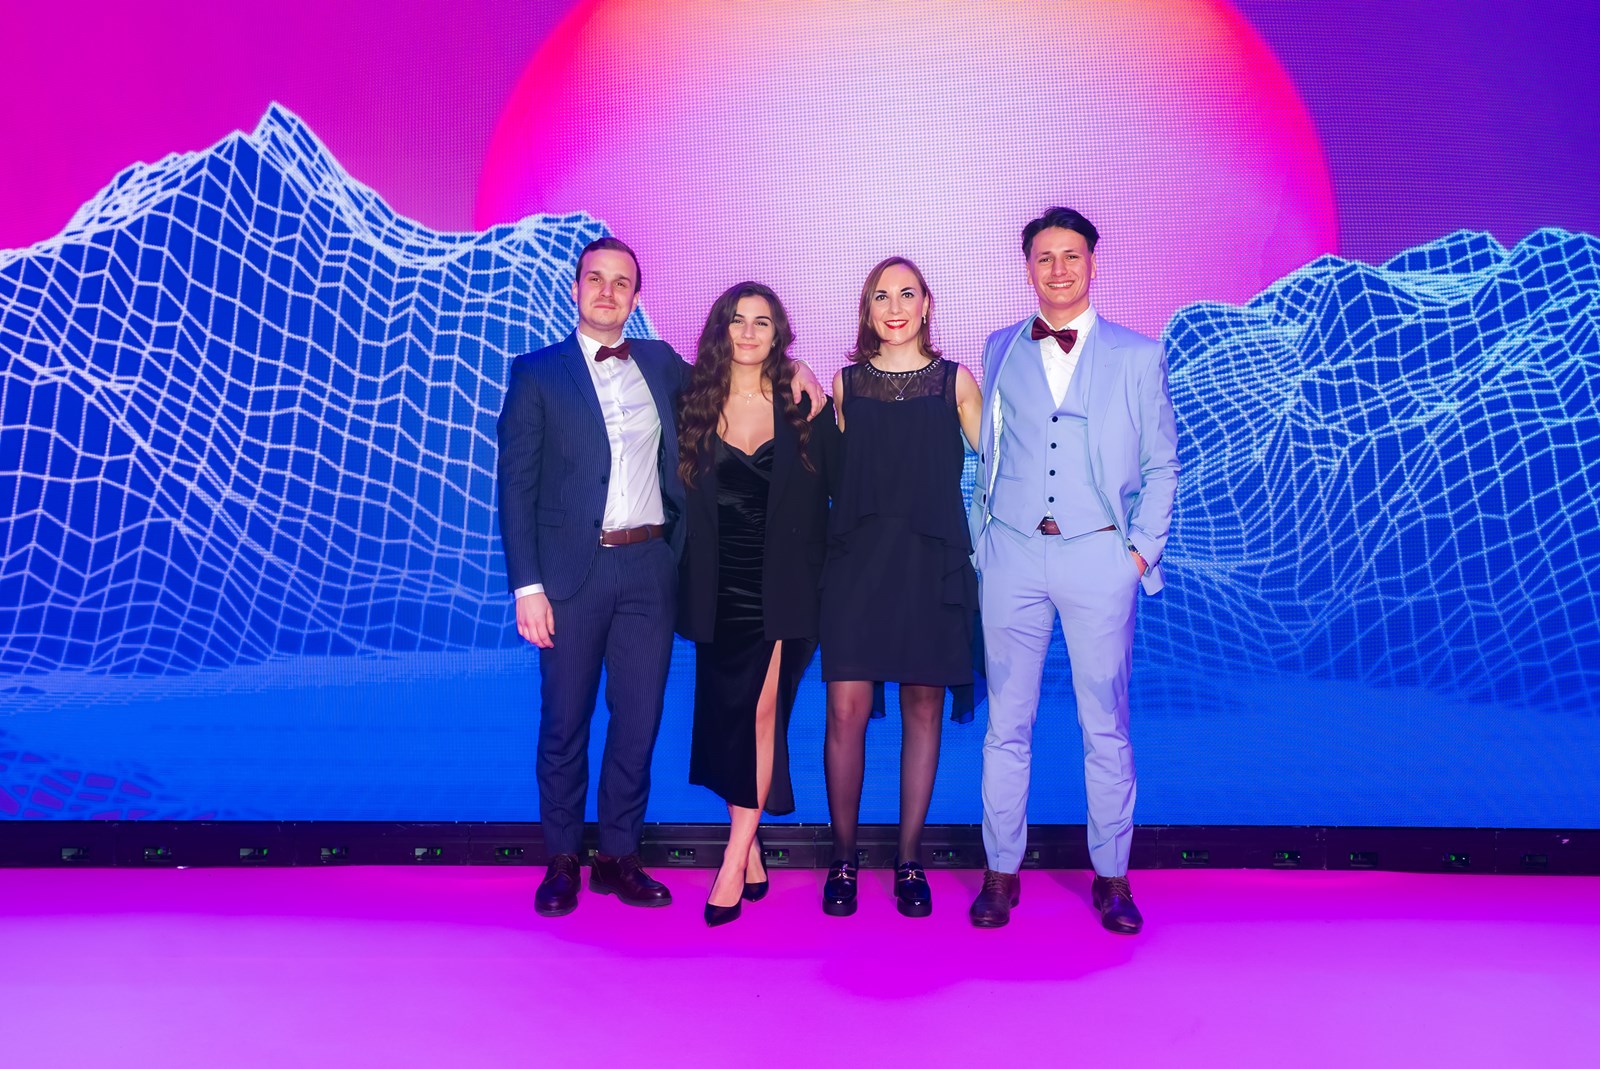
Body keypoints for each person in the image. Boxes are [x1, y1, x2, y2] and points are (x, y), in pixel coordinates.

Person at [496, 238, 826, 918]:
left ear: (636, 297)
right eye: (596, 279)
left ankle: (620, 855)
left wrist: (804, 373)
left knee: (638, 722)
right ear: (576, 288)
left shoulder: (660, 364)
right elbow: (515, 486)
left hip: (650, 571)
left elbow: (742, 370)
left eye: (621, 282)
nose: (607, 292)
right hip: (569, 577)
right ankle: (562, 858)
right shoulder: (537, 374)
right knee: (564, 721)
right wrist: (527, 586)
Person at [967, 207, 1180, 932]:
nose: (1058, 269)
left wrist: (1138, 553)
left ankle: (1112, 877)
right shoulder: (1000, 346)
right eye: (1044, 257)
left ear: (1093, 262)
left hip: (1099, 555)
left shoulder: (1137, 356)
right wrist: (983, 544)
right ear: (1027, 268)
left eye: (1071, 255)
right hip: (1012, 555)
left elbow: (1162, 464)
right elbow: (988, 453)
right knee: (1006, 723)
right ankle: (1000, 872)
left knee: (1105, 726)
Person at [818, 256, 982, 918]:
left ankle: (909, 860)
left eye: (906, 293)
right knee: (845, 711)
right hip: (856, 566)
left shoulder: (956, 382)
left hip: (930, 566)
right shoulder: (844, 384)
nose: (894, 307)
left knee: (923, 708)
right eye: (880, 295)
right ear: (867, 309)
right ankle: (844, 860)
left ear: (926, 305)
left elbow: (1008, 465)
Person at [675, 282, 841, 927]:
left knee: (761, 714)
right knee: (729, 719)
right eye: (738, 320)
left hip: (784, 590)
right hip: (715, 590)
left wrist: (809, 375)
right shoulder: (690, 399)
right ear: (721, 329)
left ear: (778, 335)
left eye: (762, 322)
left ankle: (732, 857)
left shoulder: (804, 405)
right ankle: (752, 854)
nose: (748, 332)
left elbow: (841, 488)